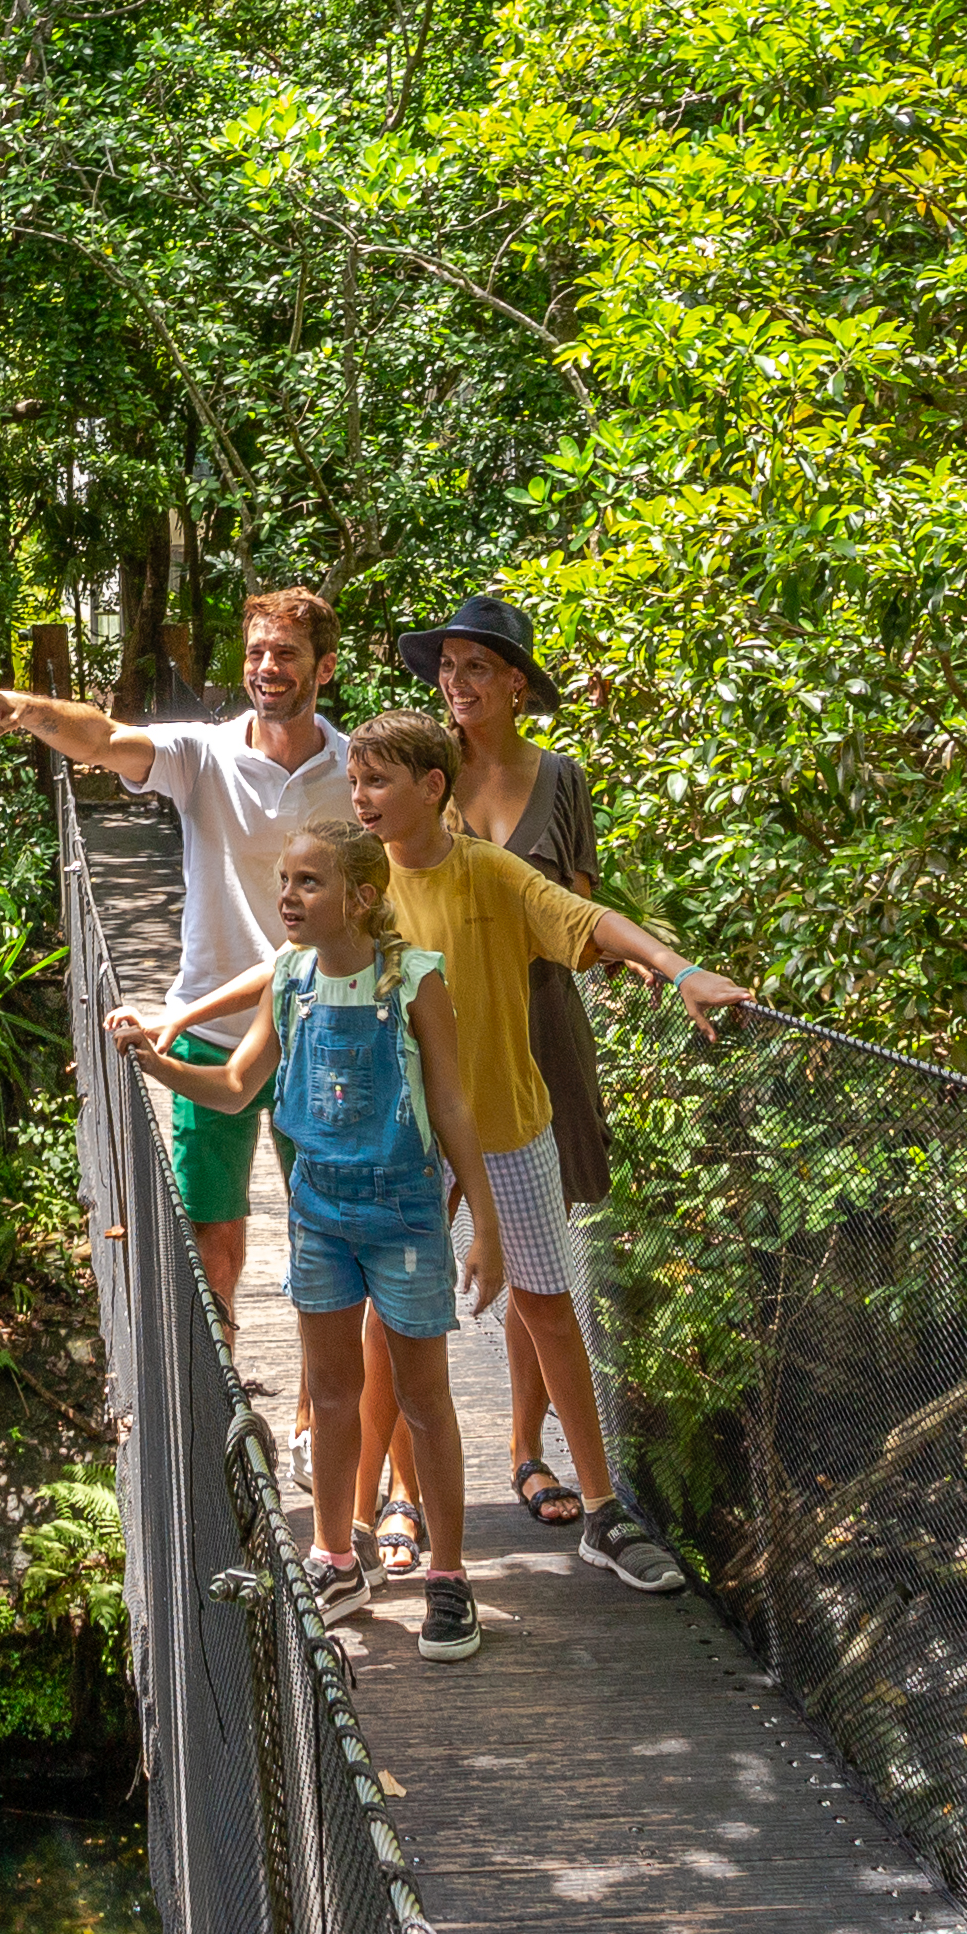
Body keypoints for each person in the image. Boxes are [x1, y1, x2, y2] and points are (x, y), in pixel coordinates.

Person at [347, 703, 740, 1594]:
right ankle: (365, 1521)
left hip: (511, 1124)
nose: (362, 797)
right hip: (407, 1135)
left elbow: (587, 919)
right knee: (387, 1325)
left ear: (431, 786)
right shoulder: (363, 888)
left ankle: (603, 1512)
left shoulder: (491, 875)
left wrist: (680, 971)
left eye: (378, 781)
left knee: (547, 1305)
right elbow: (289, 963)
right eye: (356, 782)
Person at [110, 822, 502, 1659]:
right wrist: (159, 1064)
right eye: (284, 881)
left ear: (362, 897)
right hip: (317, 1209)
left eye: (308, 884)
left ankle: (448, 1577)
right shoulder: (287, 979)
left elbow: (455, 1106)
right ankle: (335, 1557)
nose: (288, 898)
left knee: (423, 1396)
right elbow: (235, 1084)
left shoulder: (416, 983)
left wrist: (487, 1223)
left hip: (403, 1212)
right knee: (329, 1391)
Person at [0, 586, 348, 1343]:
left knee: (324, 1242)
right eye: (257, 652)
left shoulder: (357, 771)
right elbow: (103, 740)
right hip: (208, 1026)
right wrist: (22, 707)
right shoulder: (204, 754)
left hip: (322, 1031)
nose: (267, 667)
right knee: (213, 1244)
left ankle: (308, 1413)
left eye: (287, 654)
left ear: (323, 668)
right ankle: (228, 1407)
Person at [395, 595, 617, 1530]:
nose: (456, 683)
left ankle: (527, 1451)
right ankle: (402, 1489)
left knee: (535, 1255)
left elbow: (574, 902)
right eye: (447, 667)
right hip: (433, 1030)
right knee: (404, 1255)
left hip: (535, 1024)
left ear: (516, 683)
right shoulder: (423, 770)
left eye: (476, 667)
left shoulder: (560, 779)